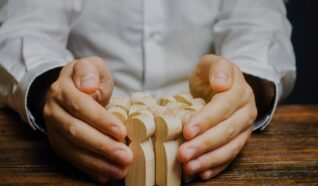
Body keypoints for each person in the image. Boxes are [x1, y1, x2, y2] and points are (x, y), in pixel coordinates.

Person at [0, 0, 295, 184]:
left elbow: (259, 25)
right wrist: (52, 88)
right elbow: (26, 29)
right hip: (95, 128)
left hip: (201, 125)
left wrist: (244, 87)